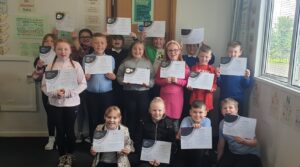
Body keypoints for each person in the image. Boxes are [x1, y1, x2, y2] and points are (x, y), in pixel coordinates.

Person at [41, 39, 87, 167]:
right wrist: (54, 93)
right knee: (60, 131)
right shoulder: (50, 66)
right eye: (60, 49)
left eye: (66, 49)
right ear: (55, 50)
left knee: (70, 130)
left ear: (70, 51)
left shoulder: (76, 65)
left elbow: (83, 84)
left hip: (72, 104)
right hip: (55, 104)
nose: (63, 52)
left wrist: (69, 93)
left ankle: (70, 155)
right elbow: (44, 86)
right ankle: (62, 156)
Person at [117, 40, 155, 143]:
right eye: (135, 48)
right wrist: (124, 82)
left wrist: (148, 84)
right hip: (129, 94)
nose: (137, 51)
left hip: (143, 94)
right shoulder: (125, 62)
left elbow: (153, 79)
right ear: (131, 50)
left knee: (143, 116)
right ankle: (129, 140)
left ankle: (141, 140)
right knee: (130, 116)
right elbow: (119, 76)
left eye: (140, 49)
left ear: (143, 51)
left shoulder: (147, 62)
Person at [84, 33, 116, 141]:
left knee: (107, 117)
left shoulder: (110, 58)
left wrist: (113, 77)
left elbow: (113, 75)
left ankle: (106, 141)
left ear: (106, 44)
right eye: (96, 43)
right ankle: (94, 141)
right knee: (93, 117)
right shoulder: (87, 58)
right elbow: (83, 77)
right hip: (91, 94)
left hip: (107, 93)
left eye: (102, 42)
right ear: (92, 44)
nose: (99, 45)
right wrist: (86, 77)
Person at [155, 40, 190, 132]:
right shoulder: (162, 65)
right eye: (170, 50)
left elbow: (187, 82)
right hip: (164, 97)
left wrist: (177, 81)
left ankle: (174, 144)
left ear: (179, 51)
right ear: (166, 52)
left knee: (175, 124)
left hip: (177, 99)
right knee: (163, 121)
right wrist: (165, 81)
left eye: (175, 50)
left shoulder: (184, 66)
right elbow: (157, 81)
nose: (173, 52)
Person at [217, 98, 262, 167]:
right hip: (233, 153)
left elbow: (255, 143)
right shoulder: (222, 124)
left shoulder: (245, 122)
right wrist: (218, 160)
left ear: (236, 110)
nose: (227, 110)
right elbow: (221, 144)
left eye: (230, 107)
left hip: (248, 154)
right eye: (224, 108)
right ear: (221, 111)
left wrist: (244, 141)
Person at [32, 33, 57, 150]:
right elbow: (36, 76)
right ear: (43, 44)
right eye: (46, 41)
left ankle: (61, 138)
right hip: (46, 90)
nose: (49, 43)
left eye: (52, 41)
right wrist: (39, 67)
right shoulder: (39, 58)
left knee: (61, 116)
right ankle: (51, 138)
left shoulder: (61, 55)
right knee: (51, 115)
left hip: (60, 90)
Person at [136, 97, 176, 167]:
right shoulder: (143, 122)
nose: (157, 113)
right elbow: (138, 141)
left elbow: (172, 144)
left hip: (163, 159)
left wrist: (162, 159)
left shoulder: (169, 123)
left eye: (160, 110)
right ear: (149, 110)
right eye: (154, 110)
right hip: (146, 158)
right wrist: (147, 158)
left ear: (164, 111)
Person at [105, 33, 138, 117]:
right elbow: (94, 49)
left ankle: (122, 127)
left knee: (123, 107)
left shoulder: (127, 52)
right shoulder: (106, 52)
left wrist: (135, 38)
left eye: (119, 39)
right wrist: (104, 35)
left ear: (123, 42)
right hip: (110, 84)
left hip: (124, 84)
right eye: (114, 39)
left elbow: (138, 49)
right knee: (110, 107)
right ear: (110, 41)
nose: (117, 40)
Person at [216, 41, 252, 116]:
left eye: (235, 52)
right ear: (227, 52)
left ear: (240, 52)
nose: (232, 54)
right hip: (224, 97)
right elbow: (219, 84)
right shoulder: (222, 65)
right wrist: (218, 76)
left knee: (238, 120)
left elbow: (246, 86)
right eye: (230, 52)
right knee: (222, 119)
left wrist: (246, 78)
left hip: (238, 98)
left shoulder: (244, 67)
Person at [70, 28, 94, 143]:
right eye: (83, 37)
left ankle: (89, 134)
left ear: (91, 38)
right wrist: (75, 42)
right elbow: (80, 58)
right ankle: (78, 134)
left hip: (91, 86)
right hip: (77, 85)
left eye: (88, 37)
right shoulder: (73, 50)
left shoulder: (95, 49)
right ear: (79, 39)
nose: (85, 39)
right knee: (79, 111)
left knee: (89, 111)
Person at [178, 100, 211, 167]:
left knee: (199, 150)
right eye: (195, 112)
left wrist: (198, 129)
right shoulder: (186, 119)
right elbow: (180, 135)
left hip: (200, 149)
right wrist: (192, 129)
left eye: (200, 112)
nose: (197, 115)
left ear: (205, 113)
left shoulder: (207, 120)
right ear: (190, 112)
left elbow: (206, 137)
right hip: (187, 148)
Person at [188, 44, 217, 118]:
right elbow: (190, 83)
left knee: (206, 120)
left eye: (206, 57)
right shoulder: (193, 68)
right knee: (194, 118)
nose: (204, 59)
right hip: (195, 98)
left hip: (207, 99)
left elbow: (214, 84)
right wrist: (189, 87)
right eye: (202, 56)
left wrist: (212, 88)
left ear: (210, 57)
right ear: (198, 56)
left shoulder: (213, 70)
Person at [141, 33, 166, 99]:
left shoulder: (165, 51)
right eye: (155, 39)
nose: (158, 41)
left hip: (160, 82)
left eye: (160, 39)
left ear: (164, 41)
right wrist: (142, 40)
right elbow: (140, 48)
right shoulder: (148, 48)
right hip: (148, 80)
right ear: (152, 40)